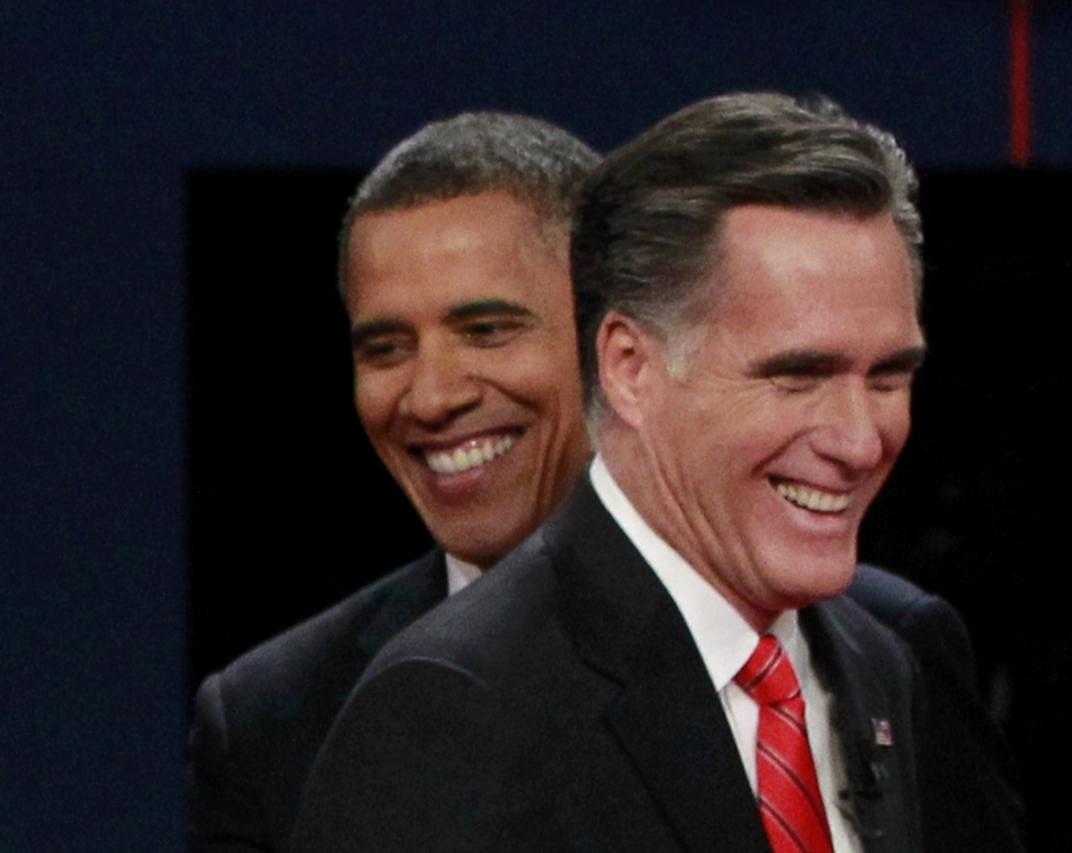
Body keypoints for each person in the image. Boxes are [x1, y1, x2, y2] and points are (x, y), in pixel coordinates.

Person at [291, 92, 1025, 852]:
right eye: (797, 376)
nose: (859, 440)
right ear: (630, 367)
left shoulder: (881, 667)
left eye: (886, 378)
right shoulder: (452, 705)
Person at [186, 111, 599, 851]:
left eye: (487, 331)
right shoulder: (271, 720)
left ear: (617, 342)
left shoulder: (826, 648)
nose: (432, 396)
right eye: (386, 347)